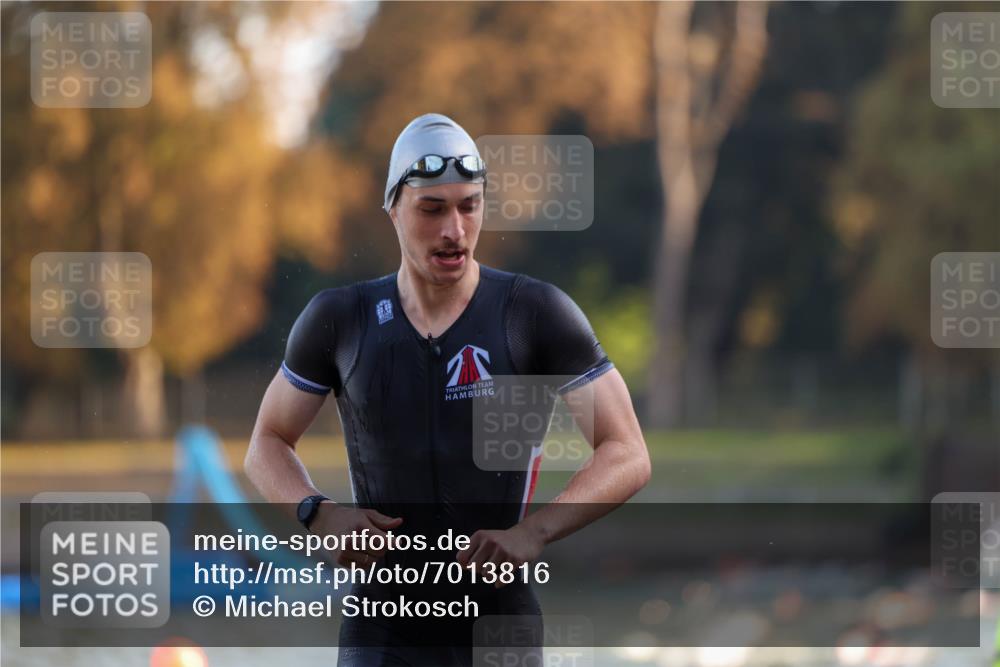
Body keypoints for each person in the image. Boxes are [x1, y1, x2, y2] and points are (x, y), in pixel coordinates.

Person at [244, 113, 651, 666]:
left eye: (469, 206)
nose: (454, 230)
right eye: (432, 209)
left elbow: (627, 450)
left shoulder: (532, 313)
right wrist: (320, 515)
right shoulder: (342, 318)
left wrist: (535, 533)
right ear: (393, 209)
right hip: (382, 630)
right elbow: (267, 441)